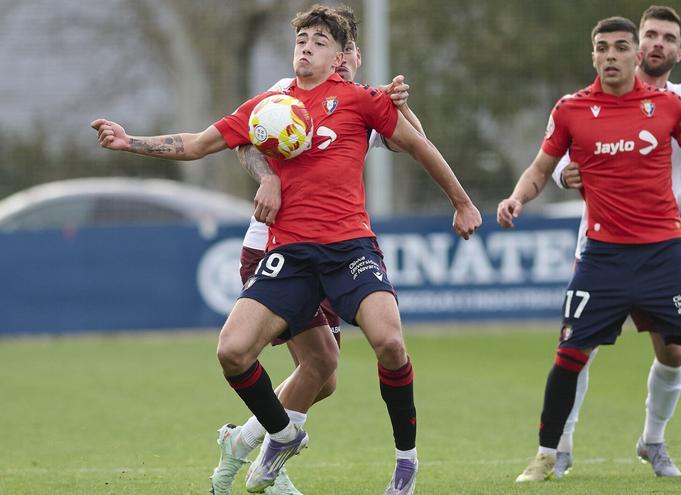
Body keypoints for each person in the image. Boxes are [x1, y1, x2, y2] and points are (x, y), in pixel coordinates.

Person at [91, 5, 481, 495]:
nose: (306, 48)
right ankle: (281, 434)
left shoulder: (360, 101)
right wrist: (129, 142)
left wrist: (462, 202)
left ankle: (406, 464)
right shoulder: (271, 104)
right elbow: (197, 143)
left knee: (388, 345)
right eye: (301, 41)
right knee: (232, 351)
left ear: (341, 56)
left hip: (349, 248)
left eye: (319, 42)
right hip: (289, 255)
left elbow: (419, 145)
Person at [497, 16, 681, 484]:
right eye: (604, 47)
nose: (612, 55)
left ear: (646, 53)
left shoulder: (674, 102)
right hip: (601, 250)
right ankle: (552, 452)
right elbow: (549, 163)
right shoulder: (572, 108)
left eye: (620, 47)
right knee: (572, 353)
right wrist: (521, 195)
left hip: (664, 251)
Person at [211, 6, 428, 495]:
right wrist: (268, 178)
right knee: (318, 365)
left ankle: (253, 444)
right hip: (275, 244)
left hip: (335, 245)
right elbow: (244, 141)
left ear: (353, 55)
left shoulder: (355, 103)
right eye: (325, 45)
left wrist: (403, 106)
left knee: (324, 374)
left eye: (349, 50)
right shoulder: (288, 92)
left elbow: (412, 145)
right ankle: (264, 450)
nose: (343, 58)